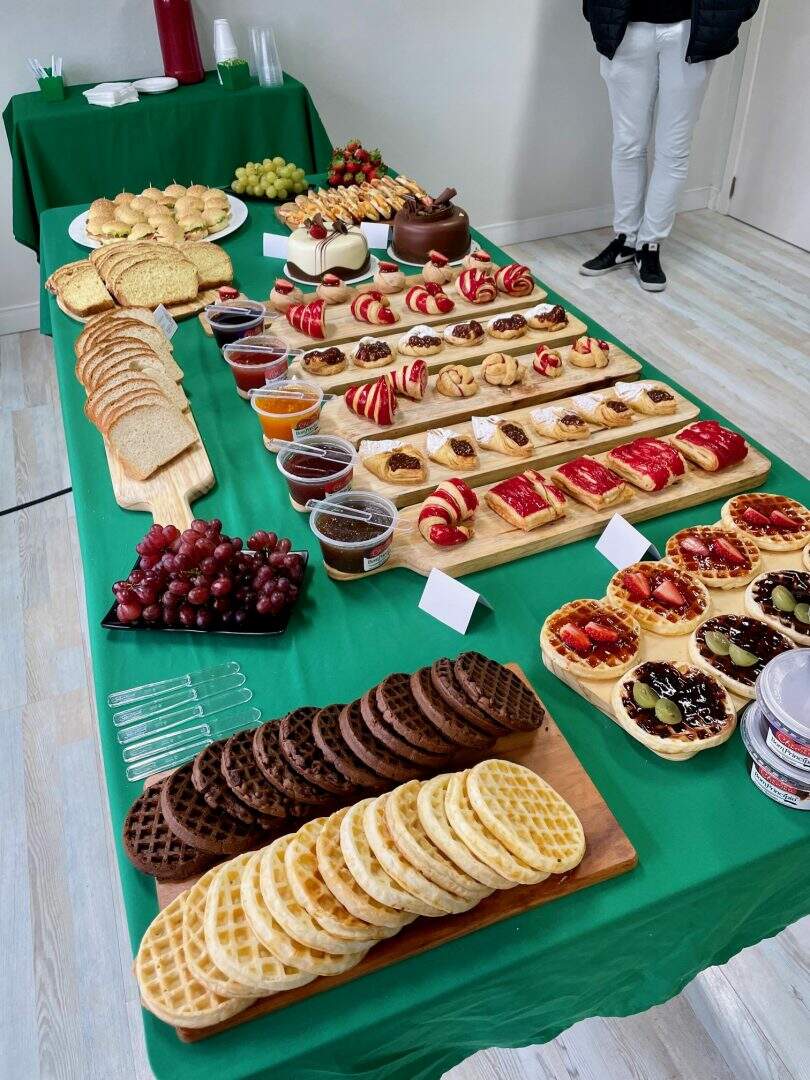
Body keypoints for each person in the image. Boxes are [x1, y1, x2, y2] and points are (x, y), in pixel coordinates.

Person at [580, 1, 760, 291]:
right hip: (627, 27)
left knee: (673, 149)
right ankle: (625, 239)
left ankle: (649, 245)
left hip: (691, 28)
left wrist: (735, 13)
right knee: (627, 144)